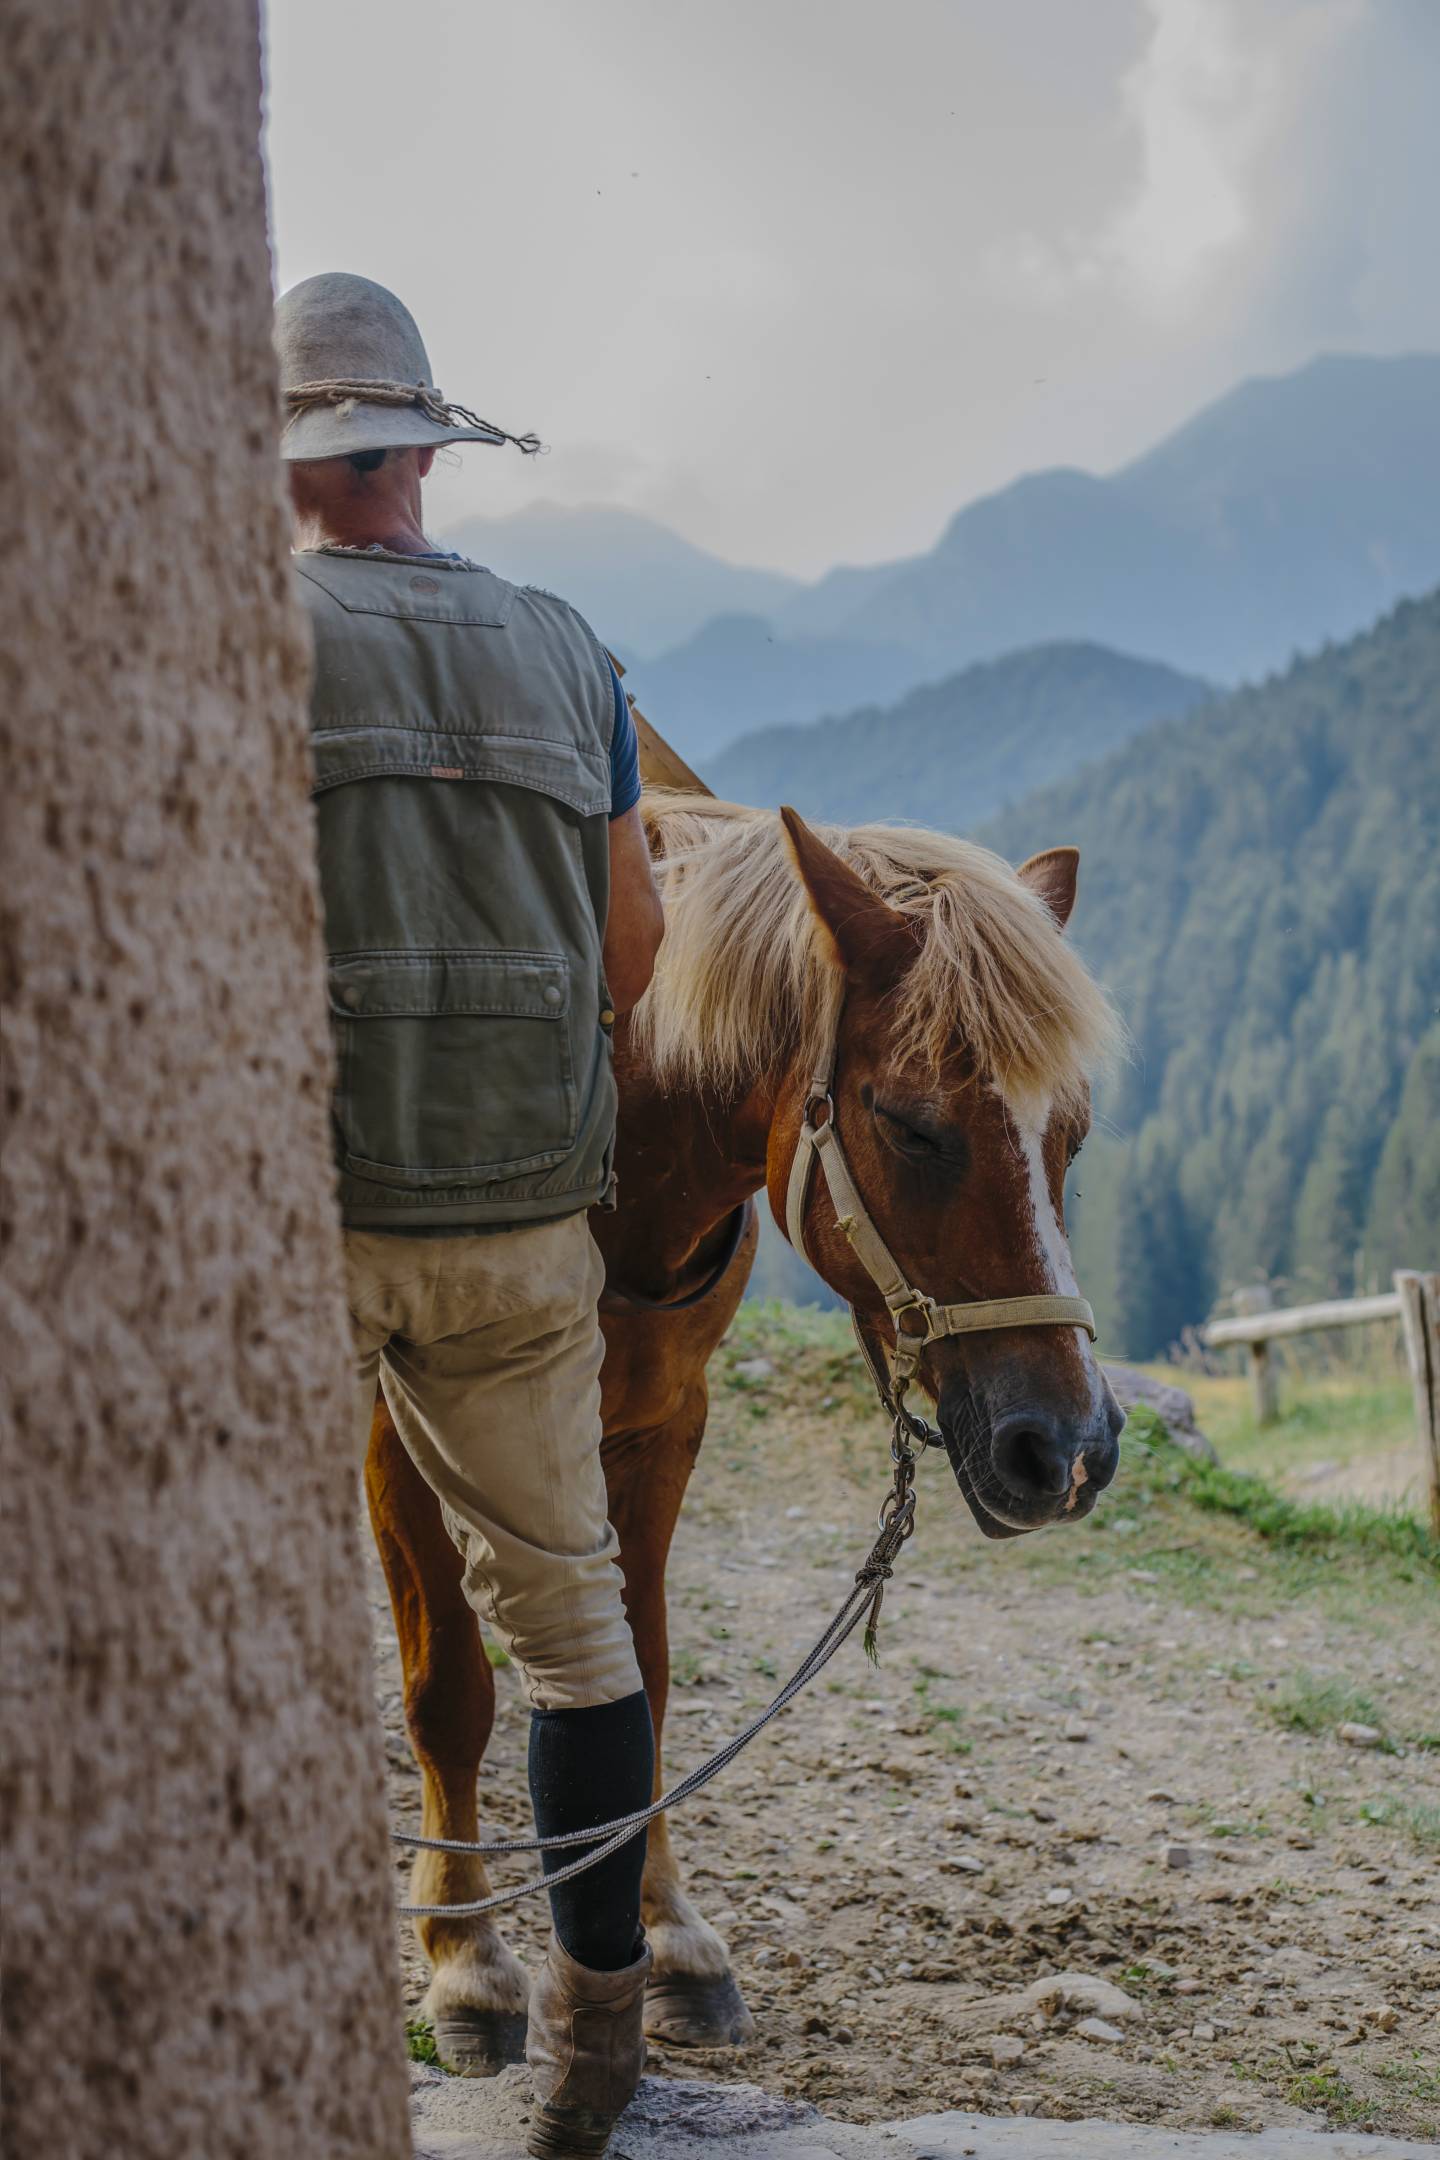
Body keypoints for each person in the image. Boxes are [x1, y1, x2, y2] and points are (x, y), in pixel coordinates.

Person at [275, 271, 665, 2160]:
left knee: (259, 1617)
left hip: (316, 1219)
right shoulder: (571, 648)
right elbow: (635, 955)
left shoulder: (245, 629)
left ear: (289, 467)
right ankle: (598, 2055)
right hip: (528, 1222)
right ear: (423, 446)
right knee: (577, 1630)